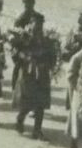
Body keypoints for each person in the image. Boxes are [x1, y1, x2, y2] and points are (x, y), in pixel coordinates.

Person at [12, 13, 57, 141]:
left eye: (40, 25)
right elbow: (15, 54)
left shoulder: (47, 41)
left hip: (42, 75)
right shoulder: (24, 39)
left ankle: (37, 130)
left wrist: (47, 65)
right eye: (35, 25)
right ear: (30, 25)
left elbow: (52, 56)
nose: (37, 28)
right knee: (27, 102)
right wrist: (26, 58)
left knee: (41, 104)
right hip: (28, 75)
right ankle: (20, 119)